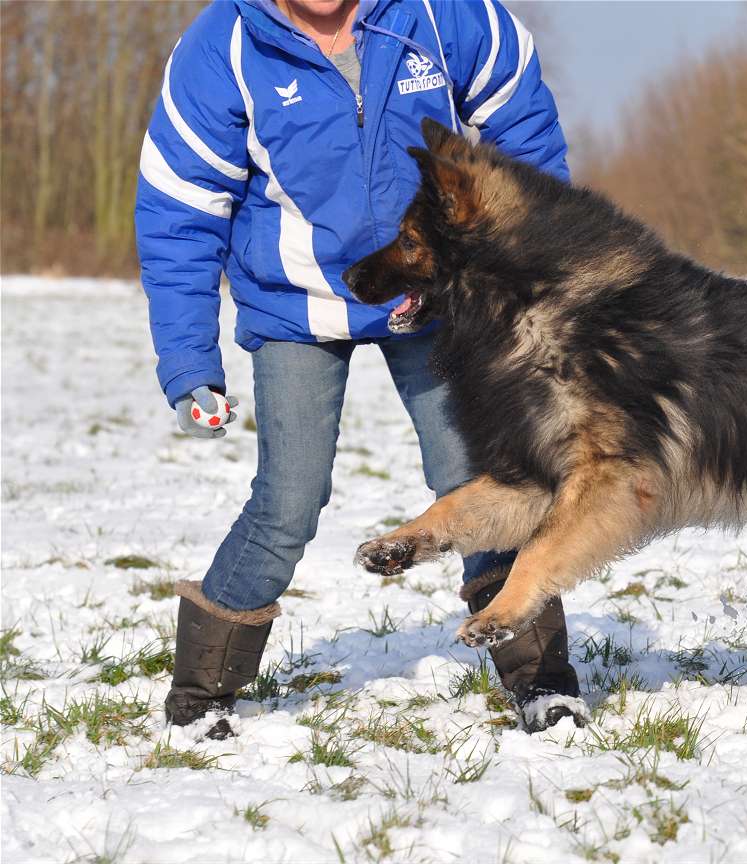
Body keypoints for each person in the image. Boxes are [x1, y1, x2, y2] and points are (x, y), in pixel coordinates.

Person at [135, 0, 585, 739]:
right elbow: (179, 209)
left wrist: (517, 265)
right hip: (295, 307)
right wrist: (189, 363)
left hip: (433, 294)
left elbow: (525, 133)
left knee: (484, 481)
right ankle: (200, 697)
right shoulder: (224, 44)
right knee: (288, 501)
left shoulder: (443, 16)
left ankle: (541, 681)